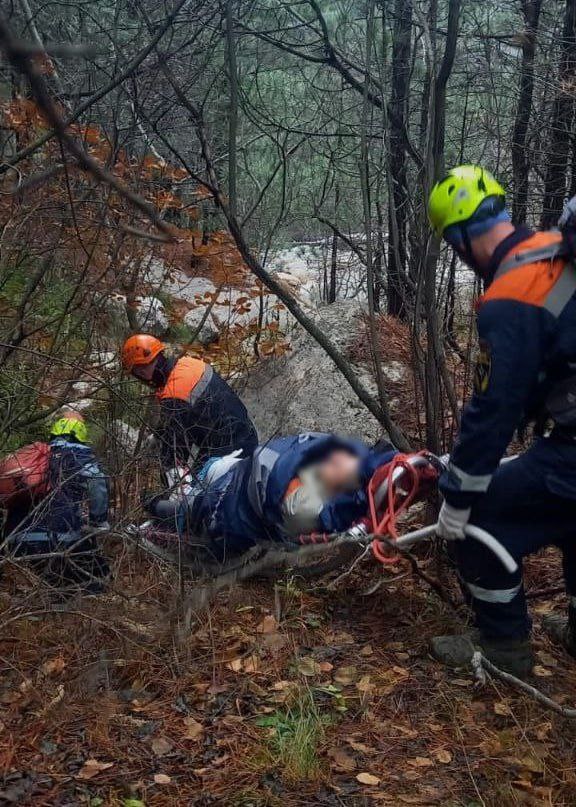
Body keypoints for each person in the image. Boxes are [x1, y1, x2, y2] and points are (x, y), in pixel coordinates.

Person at [427, 164, 576, 677]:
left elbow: (494, 410)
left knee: (481, 519)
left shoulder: (512, 292)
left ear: (460, 239)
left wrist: (460, 495)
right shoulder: (557, 249)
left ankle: (503, 647)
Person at [145, 432, 397, 561]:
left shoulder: (309, 493)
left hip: (228, 494)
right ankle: (157, 508)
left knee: (192, 508)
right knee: (192, 508)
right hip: (231, 486)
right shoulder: (315, 475)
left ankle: (157, 507)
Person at [121, 335, 258, 476]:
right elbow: (180, 417)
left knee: (197, 493)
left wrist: (170, 478)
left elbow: (174, 452)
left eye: (141, 370)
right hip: (243, 434)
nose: (144, 375)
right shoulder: (186, 364)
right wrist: (158, 434)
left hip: (229, 453)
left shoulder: (174, 393)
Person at [2, 412, 110, 593]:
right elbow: (98, 489)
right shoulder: (82, 458)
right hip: (57, 541)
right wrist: (98, 520)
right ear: (81, 434)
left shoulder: (34, 456)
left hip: (15, 541)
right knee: (96, 579)